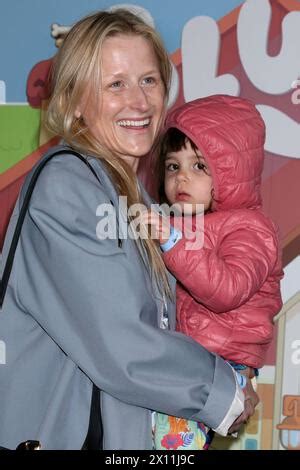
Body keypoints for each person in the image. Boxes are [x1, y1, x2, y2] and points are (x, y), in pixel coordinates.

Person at [0, 12, 257, 450]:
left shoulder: (136, 195)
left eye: (149, 81)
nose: (139, 102)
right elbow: (120, 344)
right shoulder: (68, 186)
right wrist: (223, 391)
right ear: (76, 100)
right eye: (115, 84)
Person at [141, 95, 283, 450]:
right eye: (173, 166)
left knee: (171, 446)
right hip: (195, 357)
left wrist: (173, 242)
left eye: (200, 166)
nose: (181, 177)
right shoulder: (182, 223)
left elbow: (227, 290)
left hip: (222, 362)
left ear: (232, 173)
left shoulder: (251, 228)